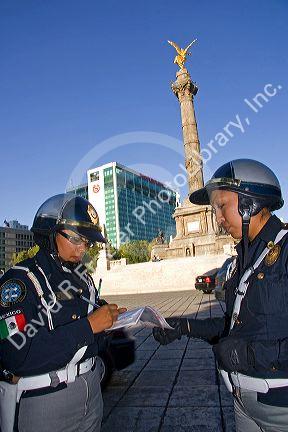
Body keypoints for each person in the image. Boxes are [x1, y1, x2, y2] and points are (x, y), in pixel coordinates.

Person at [153, 159, 288, 432]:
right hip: (242, 402)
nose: (218, 218)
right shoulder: (245, 258)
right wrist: (186, 326)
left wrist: (247, 356)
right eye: (214, 210)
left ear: (249, 203)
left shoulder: (285, 252)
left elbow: (245, 347)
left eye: (221, 206)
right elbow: (234, 326)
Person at [0, 193, 126, 432]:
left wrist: (108, 321)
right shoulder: (20, 282)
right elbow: (15, 354)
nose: (82, 249)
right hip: (46, 398)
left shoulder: (82, 278)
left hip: (91, 390)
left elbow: (93, 337)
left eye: (87, 242)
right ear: (50, 233)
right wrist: (89, 326)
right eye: (76, 239)